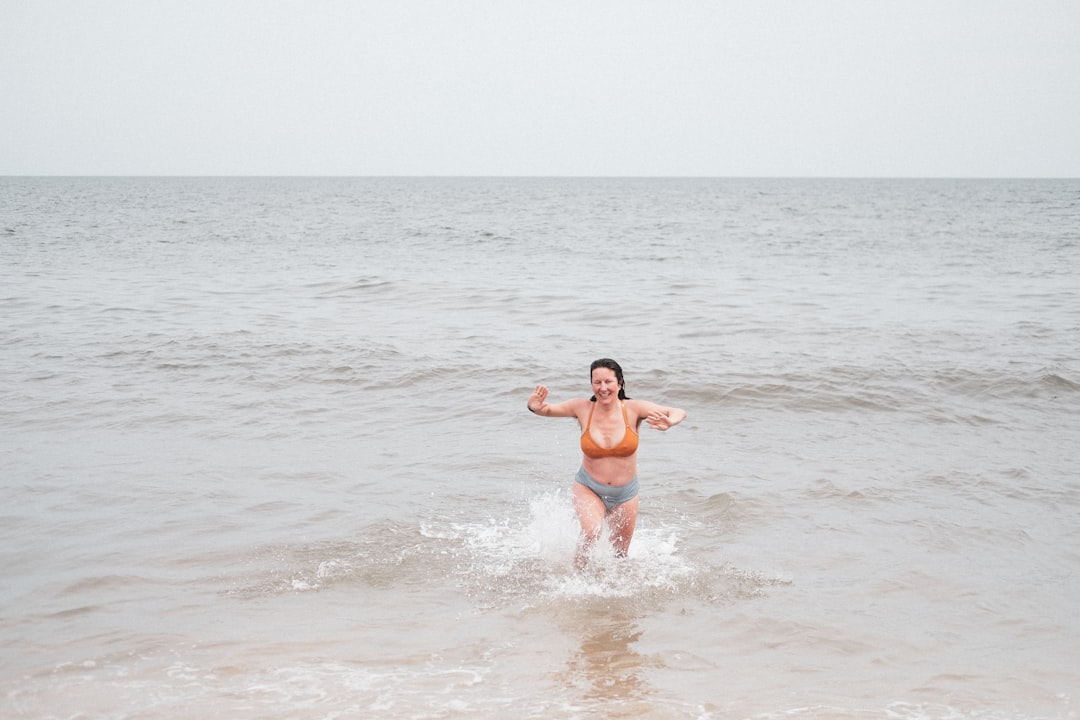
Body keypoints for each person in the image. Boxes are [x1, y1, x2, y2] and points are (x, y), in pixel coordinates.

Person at [527, 358, 687, 567]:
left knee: (620, 556)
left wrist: (670, 422)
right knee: (592, 532)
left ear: (619, 383)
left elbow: (678, 412)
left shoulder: (633, 409)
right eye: (597, 382)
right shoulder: (582, 408)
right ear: (592, 384)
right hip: (589, 487)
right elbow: (545, 409)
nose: (603, 388)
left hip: (626, 494)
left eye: (608, 382)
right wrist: (533, 406)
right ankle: (577, 580)